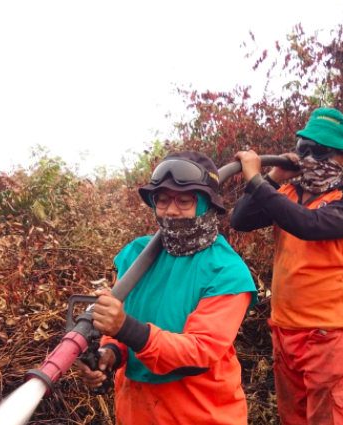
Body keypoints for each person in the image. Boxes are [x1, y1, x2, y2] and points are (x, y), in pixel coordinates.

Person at [76, 151, 257, 425]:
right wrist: (110, 353)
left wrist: (124, 328)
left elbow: (200, 351)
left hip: (200, 414)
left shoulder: (227, 271)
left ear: (206, 205)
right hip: (136, 413)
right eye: (162, 200)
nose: (171, 210)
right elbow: (118, 322)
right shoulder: (136, 254)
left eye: (184, 200)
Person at [230, 108, 343, 425]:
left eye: (319, 150)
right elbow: (241, 220)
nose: (309, 157)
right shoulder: (287, 192)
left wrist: (256, 180)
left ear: (342, 158)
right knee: (294, 418)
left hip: (326, 335)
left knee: (332, 418)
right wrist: (273, 178)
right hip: (284, 332)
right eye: (304, 147)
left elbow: (307, 224)